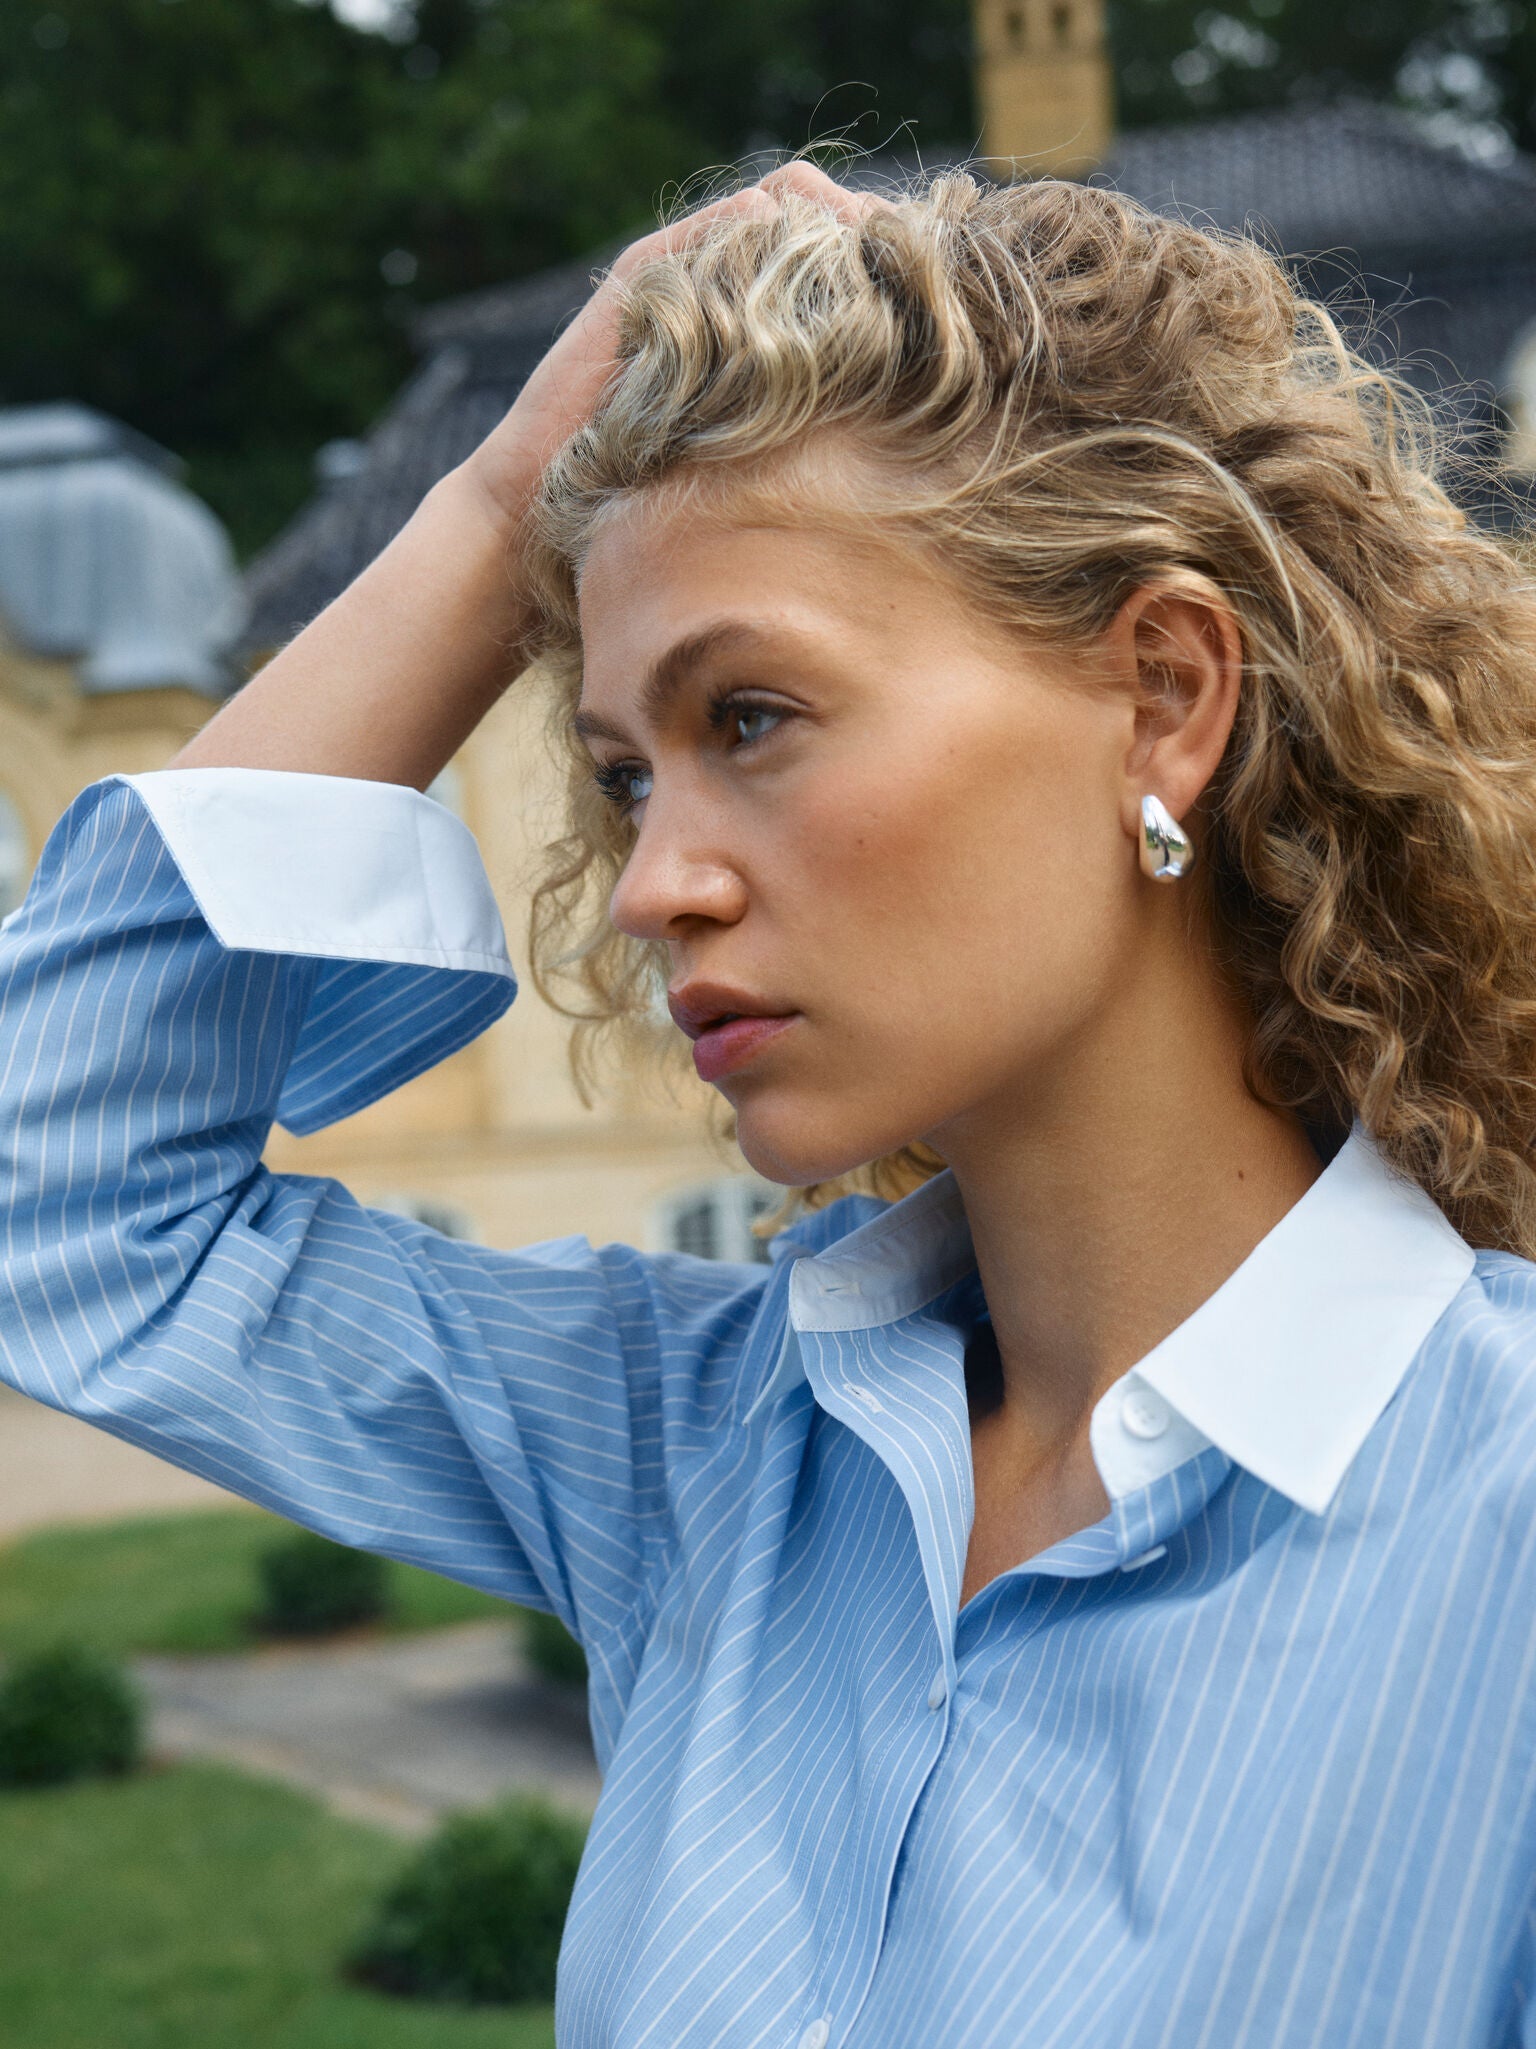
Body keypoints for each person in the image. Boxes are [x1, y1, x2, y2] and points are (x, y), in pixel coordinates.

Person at [4, 157, 1536, 2047]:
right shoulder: (710, 1457)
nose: (655, 885)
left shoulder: (1503, 1521)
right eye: (629, 774)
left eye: (750, 719)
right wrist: (498, 509)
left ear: (1162, 694)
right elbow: (62, 1210)